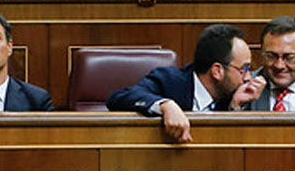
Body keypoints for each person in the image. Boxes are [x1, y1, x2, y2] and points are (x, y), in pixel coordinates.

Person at [106, 24, 267, 143]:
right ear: (217, 71)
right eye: (244, 69)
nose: (248, 78)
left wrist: (235, 107)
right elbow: (118, 98)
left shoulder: (232, 95)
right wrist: (165, 105)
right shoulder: (170, 81)